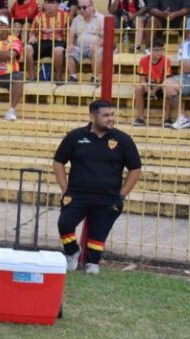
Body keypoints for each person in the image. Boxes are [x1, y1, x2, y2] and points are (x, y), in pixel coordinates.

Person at [53, 100, 142, 275]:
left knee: (98, 233)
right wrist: (65, 189)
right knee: (65, 223)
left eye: (112, 115)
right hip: (77, 194)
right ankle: (71, 252)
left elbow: (135, 169)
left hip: (108, 197)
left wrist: (122, 195)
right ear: (92, 116)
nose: (111, 119)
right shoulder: (75, 136)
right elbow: (58, 162)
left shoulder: (123, 140)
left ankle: (92, 264)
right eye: (106, 115)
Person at [132, 38, 175, 127]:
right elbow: (142, 80)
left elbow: (167, 80)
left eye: (161, 50)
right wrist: (147, 89)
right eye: (155, 50)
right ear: (150, 50)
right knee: (138, 87)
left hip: (161, 86)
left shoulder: (166, 60)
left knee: (168, 88)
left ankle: (167, 119)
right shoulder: (144, 60)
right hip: (148, 85)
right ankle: (141, 118)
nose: (159, 52)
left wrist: (156, 88)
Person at [25, 0, 68, 82]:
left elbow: (70, 31)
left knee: (58, 50)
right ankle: (32, 77)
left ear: (58, 5)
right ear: (44, 5)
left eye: (53, 3)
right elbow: (32, 32)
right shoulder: (38, 16)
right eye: (48, 3)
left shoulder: (65, 16)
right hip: (42, 42)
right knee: (27, 48)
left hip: (58, 42)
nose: (50, 6)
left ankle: (58, 78)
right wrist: (32, 37)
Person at [66, 0, 104, 83]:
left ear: (92, 6)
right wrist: (70, 43)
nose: (81, 10)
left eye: (84, 7)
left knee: (97, 51)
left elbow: (105, 37)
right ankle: (73, 77)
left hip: (94, 47)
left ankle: (95, 77)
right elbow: (71, 33)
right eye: (79, 8)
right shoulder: (77, 19)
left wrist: (97, 45)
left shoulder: (101, 18)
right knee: (69, 51)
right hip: (80, 47)